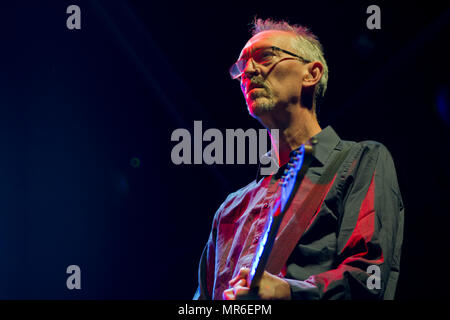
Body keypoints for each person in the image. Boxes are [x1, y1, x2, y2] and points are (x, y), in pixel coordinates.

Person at [193, 18, 404, 300]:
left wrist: (288, 292)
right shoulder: (229, 210)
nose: (249, 71)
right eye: (242, 65)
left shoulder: (361, 160)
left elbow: (371, 278)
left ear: (311, 73)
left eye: (265, 56)